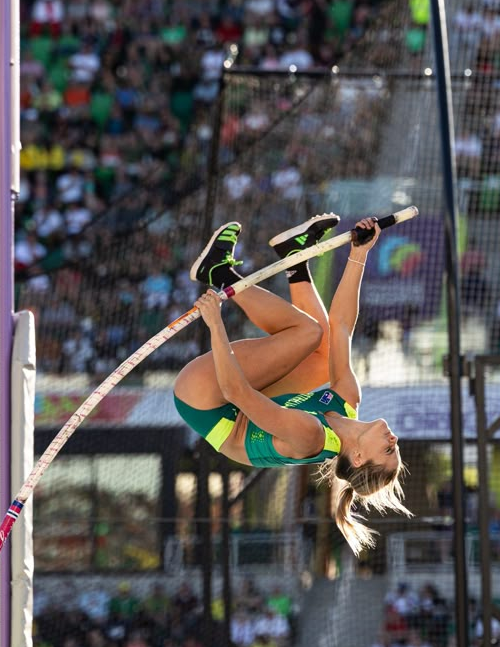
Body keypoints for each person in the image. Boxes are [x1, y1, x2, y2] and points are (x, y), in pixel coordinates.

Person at [173, 215, 409, 554]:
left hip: (207, 400)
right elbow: (342, 325)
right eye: (395, 448)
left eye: (387, 450)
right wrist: (360, 252)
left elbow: (236, 392)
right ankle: (293, 257)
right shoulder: (346, 401)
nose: (394, 440)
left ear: (357, 457)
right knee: (323, 348)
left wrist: (215, 324)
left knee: (307, 333)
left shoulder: (310, 437)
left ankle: (219, 274)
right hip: (238, 399)